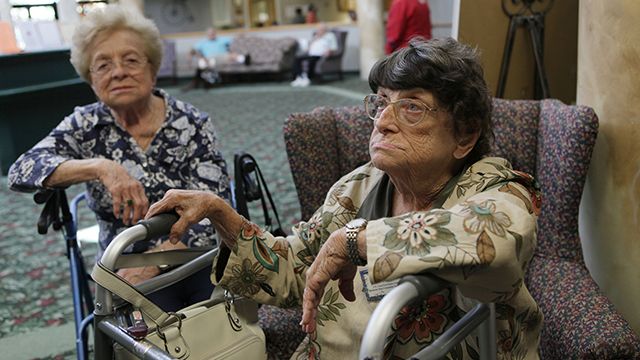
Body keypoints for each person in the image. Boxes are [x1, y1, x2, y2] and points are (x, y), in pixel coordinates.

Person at [146, 37, 543, 359]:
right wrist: (222, 215)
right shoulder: (359, 185)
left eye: (411, 108)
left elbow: (496, 239)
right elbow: (296, 271)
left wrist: (355, 240)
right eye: (382, 103)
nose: (384, 122)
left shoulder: (498, 188)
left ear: (465, 136)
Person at [7, 4, 231, 312]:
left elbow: (212, 208)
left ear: (152, 69)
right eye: (103, 65)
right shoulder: (86, 125)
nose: (119, 72)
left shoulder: (192, 124)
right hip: (123, 266)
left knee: (213, 323)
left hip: (196, 257)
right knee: (142, 332)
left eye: (130, 60)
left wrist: (153, 263)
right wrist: (99, 167)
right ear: (91, 79)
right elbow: (22, 170)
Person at [184, 27, 250, 90]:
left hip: (222, 57)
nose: (211, 35)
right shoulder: (202, 42)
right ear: (207, 34)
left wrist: (241, 33)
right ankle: (205, 81)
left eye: (213, 33)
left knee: (231, 55)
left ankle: (244, 59)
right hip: (209, 58)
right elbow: (192, 50)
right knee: (203, 63)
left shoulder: (222, 39)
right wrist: (190, 57)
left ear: (215, 33)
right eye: (210, 34)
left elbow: (235, 39)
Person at [290, 23, 338, 87]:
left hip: (320, 54)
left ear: (325, 30)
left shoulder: (330, 35)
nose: (319, 31)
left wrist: (329, 51)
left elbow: (334, 47)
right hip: (311, 54)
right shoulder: (316, 36)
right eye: (318, 29)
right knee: (297, 59)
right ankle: (300, 77)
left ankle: (308, 78)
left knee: (311, 61)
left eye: (321, 29)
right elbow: (310, 46)